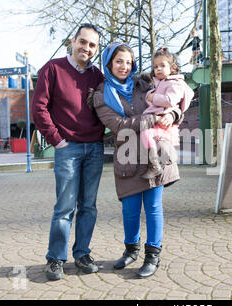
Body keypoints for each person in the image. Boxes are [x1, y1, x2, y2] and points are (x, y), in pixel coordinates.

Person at [87, 42, 182, 278]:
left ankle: (153, 256)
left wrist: (172, 114)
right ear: (109, 63)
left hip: (155, 157)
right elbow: (118, 126)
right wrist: (153, 119)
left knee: (153, 207)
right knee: (129, 211)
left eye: (129, 62)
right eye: (119, 61)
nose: (124, 66)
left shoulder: (145, 83)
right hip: (127, 157)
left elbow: (176, 97)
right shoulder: (100, 95)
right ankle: (131, 250)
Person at [31, 24, 105, 281]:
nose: (86, 48)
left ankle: (82, 254)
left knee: (89, 206)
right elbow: (38, 108)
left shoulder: (98, 76)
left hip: (94, 148)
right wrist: (57, 141)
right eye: (82, 42)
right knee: (64, 207)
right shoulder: (52, 69)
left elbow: (108, 107)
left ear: (96, 49)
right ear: (73, 41)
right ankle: (55, 259)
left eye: (92, 45)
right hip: (67, 148)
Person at [141, 48, 194, 179]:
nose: (158, 69)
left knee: (148, 135)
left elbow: (170, 100)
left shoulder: (175, 83)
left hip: (162, 121)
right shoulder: (159, 82)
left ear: (172, 68)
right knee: (147, 136)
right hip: (156, 118)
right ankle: (155, 163)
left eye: (162, 65)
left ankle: (155, 165)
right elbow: (152, 98)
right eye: (155, 66)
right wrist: (150, 95)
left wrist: (153, 97)